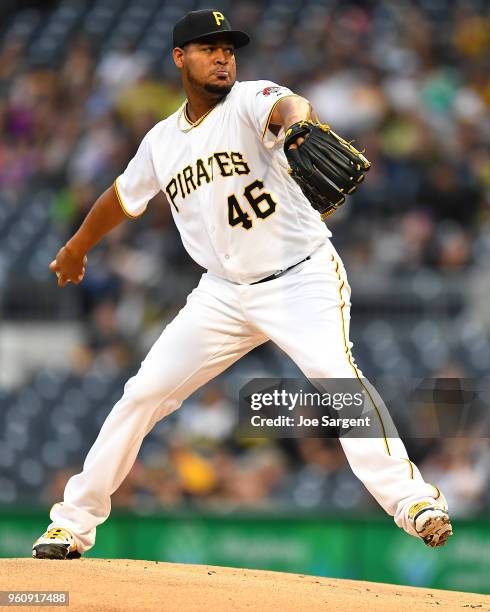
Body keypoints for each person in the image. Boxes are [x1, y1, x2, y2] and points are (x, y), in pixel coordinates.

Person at [32, 9, 452, 560]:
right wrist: (77, 246)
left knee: (337, 381)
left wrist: (298, 124)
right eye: (209, 47)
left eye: (229, 47)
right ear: (180, 58)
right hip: (222, 293)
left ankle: (413, 501)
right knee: (143, 393)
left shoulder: (251, 100)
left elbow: (287, 106)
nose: (223, 55)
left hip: (299, 277)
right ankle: (73, 521)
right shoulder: (162, 141)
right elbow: (123, 197)